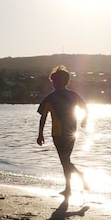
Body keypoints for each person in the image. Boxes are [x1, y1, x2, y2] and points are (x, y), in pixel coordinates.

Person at [37, 65, 89, 196]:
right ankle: (68, 188)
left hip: (59, 133)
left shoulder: (50, 98)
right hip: (72, 133)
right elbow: (86, 109)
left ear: (61, 81)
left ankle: (79, 176)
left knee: (65, 160)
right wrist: (84, 120)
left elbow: (43, 117)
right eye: (53, 81)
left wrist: (40, 134)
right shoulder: (73, 95)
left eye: (55, 81)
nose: (53, 83)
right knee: (65, 160)